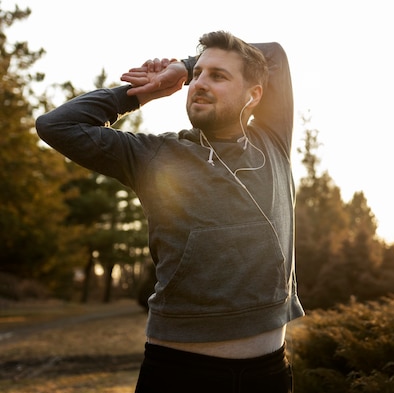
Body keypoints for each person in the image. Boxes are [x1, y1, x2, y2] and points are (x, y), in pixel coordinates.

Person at [36, 31, 304, 393]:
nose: (199, 84)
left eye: (218, 76)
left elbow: (274, 54)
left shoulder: (272, 141)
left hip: (269, 374)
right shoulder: (154, 156)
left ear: (254, 94)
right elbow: (57, 126)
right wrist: (143, 94)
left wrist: (184, 65)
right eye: (198, 76)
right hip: (181, 373)